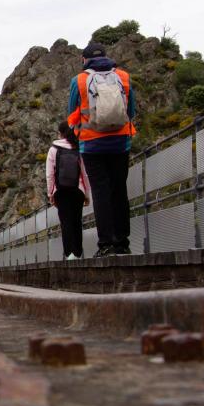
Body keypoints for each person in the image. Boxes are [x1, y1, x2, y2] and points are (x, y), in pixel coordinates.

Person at [67, 42, 137, 257]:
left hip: (92, 145)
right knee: (119, 191)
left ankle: (105, 244)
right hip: (120, 143)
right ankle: (122, 243)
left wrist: (79, 131)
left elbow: (71, 114)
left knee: (101, 193)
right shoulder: (123, 77)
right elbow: (131, 110)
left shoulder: (79, 80)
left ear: (84, 59)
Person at [46, 121, 91, 260]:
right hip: (77, 190)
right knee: (77, 221)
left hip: (61, 191)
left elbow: (50, 175)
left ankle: (69, 253)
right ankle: (78, 253)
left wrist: (51, 194)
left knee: (65, 221)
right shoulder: (78, 148)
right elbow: (84, 173)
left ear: (60, 133)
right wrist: (86, 194)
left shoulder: (53, 149)